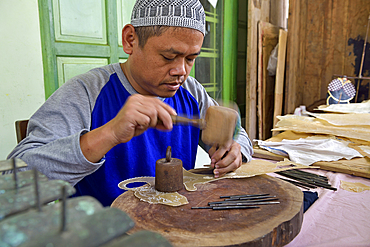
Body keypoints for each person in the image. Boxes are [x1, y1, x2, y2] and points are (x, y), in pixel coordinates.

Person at [8, 0, 253, 207]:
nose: (181, 71)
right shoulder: (85, 93)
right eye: (168, 56)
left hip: (176, 227)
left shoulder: (191, 91)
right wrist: (109, 133)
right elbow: (11, 181)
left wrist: (236, 150)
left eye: (190, 58)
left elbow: (238, 135)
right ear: (130, 40)